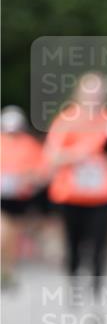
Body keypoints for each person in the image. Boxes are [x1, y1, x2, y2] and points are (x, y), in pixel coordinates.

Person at [45, 72, 107, 297]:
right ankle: (75, 284)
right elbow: (52, 156)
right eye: (90, 91)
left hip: (102, 195)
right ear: (79, 93)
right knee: (73, 245)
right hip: (71, 195)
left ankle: (96, 291)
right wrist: (81, 154)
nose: (95, 96)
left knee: (99, 245)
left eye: (99, 92)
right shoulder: (66, 120)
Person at [0, 106, 50, 287]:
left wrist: (29, 179)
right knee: (3, 231)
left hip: (21, 198)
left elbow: (42, 171)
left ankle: (7, 270)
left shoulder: (29, 144)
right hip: (3, 198)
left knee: (12, 235)